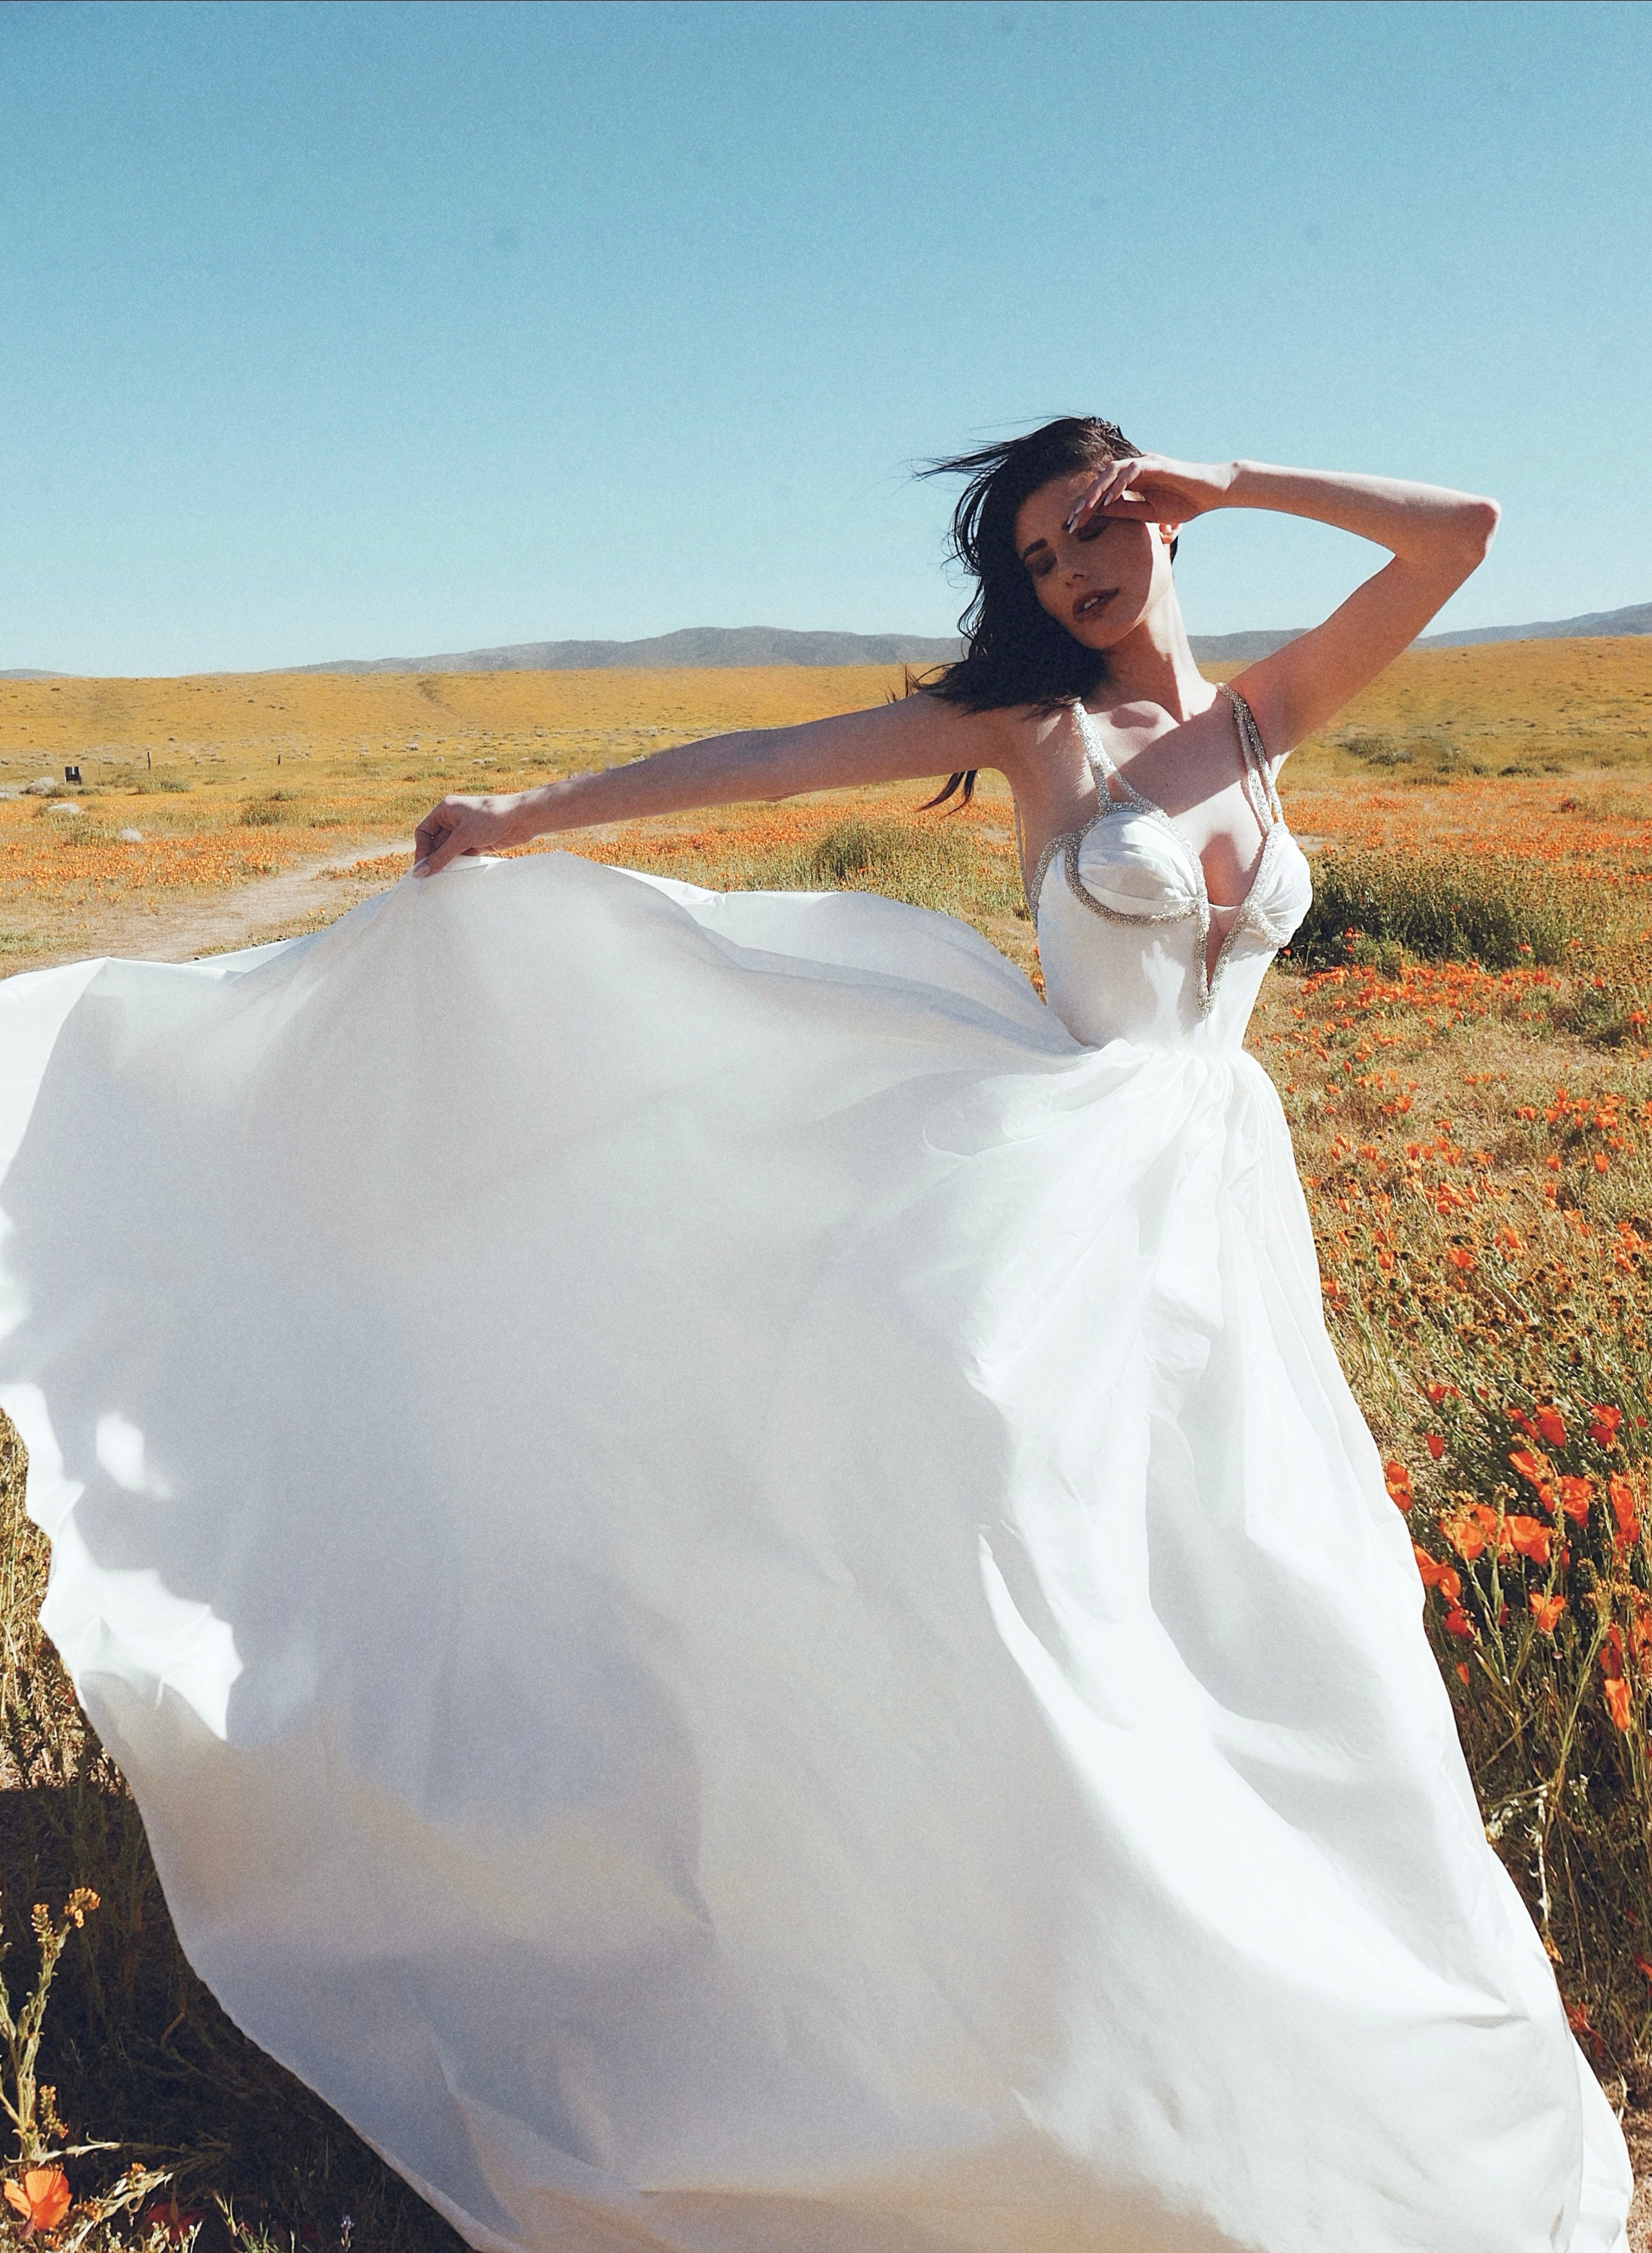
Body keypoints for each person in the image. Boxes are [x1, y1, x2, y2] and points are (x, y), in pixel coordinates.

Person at [0, 419, 1631, 2253]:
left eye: (1096, 525)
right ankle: (971, 2003)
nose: (1073, 569)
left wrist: (1237, 478)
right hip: (1036, 1216)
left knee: (1267, 1606)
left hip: (1214, 1221)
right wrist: (530, 821)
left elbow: (1463, 534)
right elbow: (767, 759)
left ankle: (1263, 2015)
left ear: (1157, 519)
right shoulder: (1035, 734)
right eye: (1035, 554)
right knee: (1023, 1604)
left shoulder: (1257, 720)